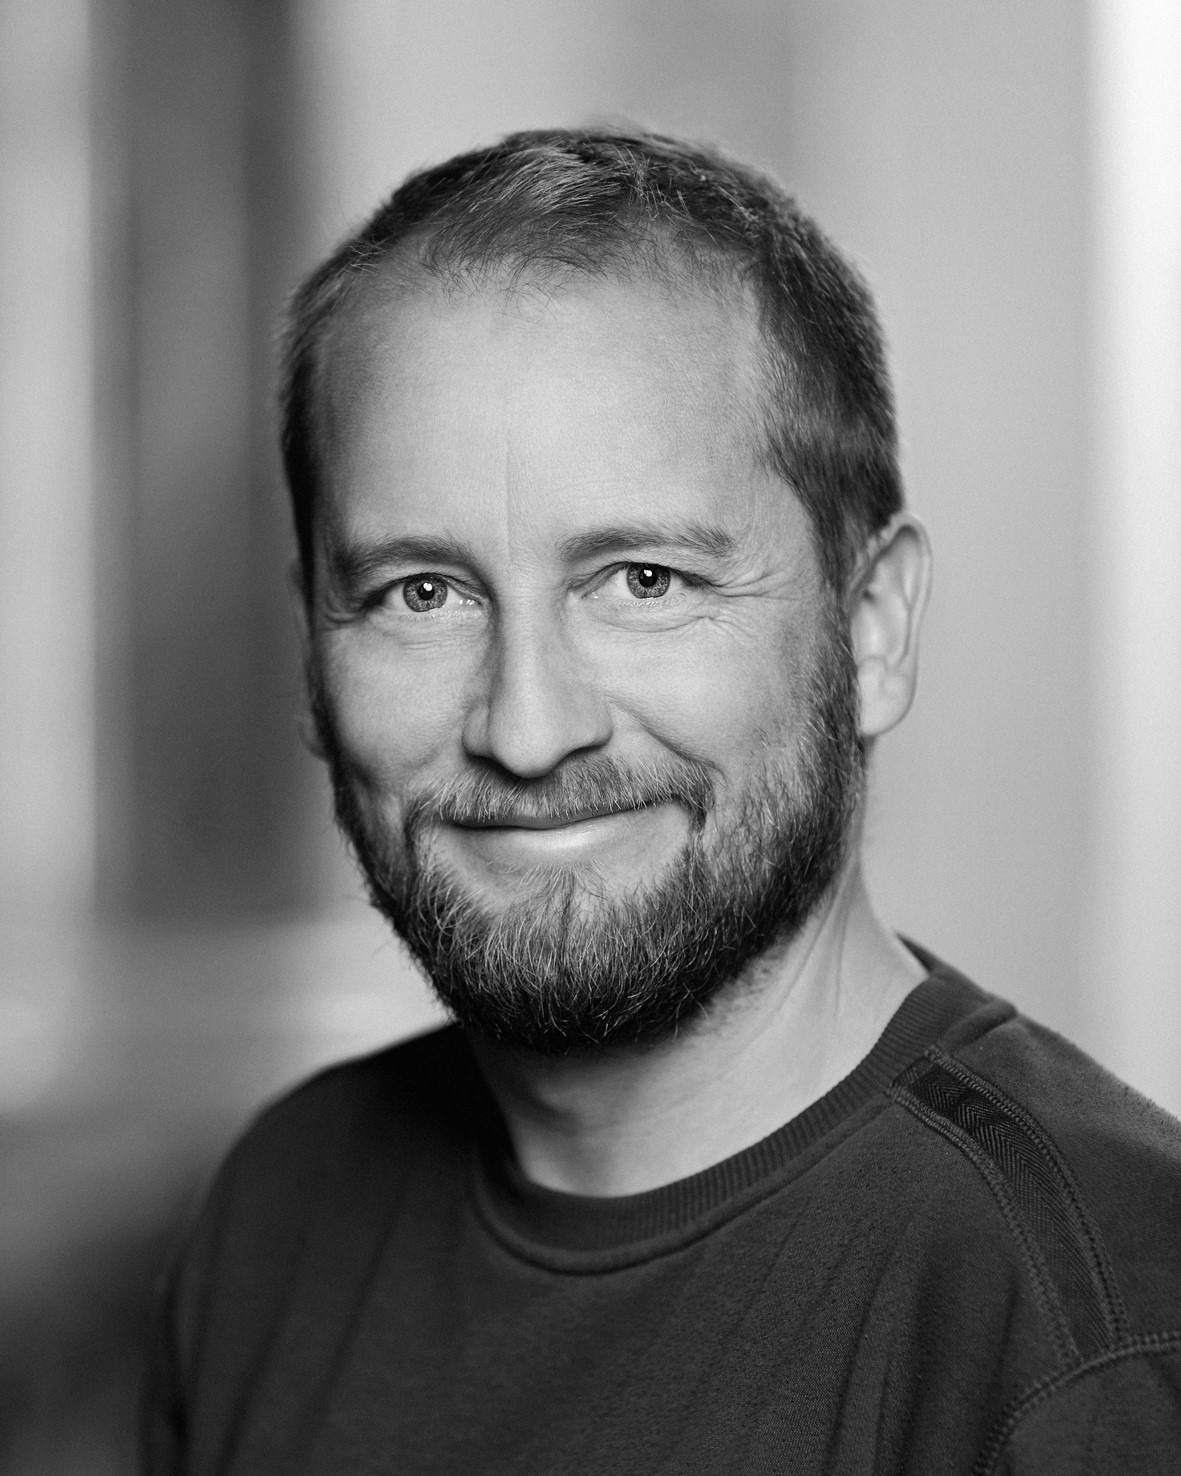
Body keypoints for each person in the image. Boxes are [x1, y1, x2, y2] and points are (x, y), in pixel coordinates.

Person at [142, 128, 1181, 1474]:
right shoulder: (278, 1218)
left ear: (870, 628)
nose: (527, 731)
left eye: (645, 581)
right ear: (312, 651)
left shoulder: (1094, 1340)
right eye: (421, 593)